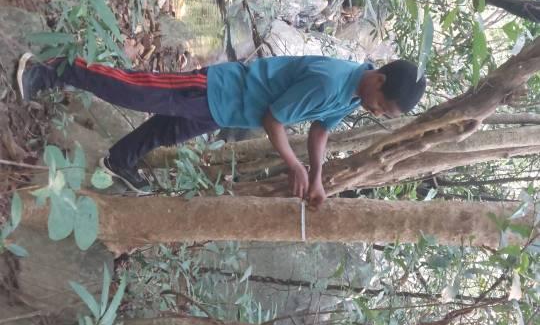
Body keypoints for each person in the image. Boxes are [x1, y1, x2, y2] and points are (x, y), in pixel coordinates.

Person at [16, 52, 426, 207]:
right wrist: (294, 166)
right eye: (382, 105)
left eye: (384, 114)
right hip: (217, 89)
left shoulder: (351, 96)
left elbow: (320, 130)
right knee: (134, 90)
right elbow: (274, 120)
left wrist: (316, 175)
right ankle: (53, 69)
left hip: (227, 111)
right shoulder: (330, 81)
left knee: (166, 132)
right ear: (379, 80)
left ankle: (119, 160)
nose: (377, 111)